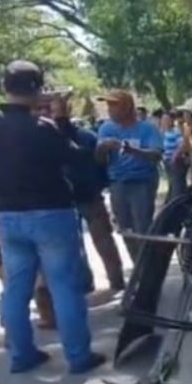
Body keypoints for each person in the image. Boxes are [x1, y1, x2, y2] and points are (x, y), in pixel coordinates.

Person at [0, 60, 104, 374]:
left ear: (4, 87)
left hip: (8, 217)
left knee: (16, 289)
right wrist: (64, 119)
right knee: (64, 286)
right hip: (52, 214)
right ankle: (78, 356)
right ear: (38, 90)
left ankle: (21, 355)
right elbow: (77, 157)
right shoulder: (44, 128)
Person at [50, 93, 125, 291]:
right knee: (83, 245)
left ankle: (113, 281)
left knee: (99, 242)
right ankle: (100, 282)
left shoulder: (82, 137)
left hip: (84, 196)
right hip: (73, 198)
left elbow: (100, 165)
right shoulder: (82, 137)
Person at [96, 89, 163, 263]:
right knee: (125, 228)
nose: (109, 109)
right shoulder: (106, 128)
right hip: (117, 183)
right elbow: (100, 161)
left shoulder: (147, 128)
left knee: (142, 227)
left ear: (127, 107)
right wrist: (102, 149)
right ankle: (137, 266)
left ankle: (148, 265)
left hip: (142, 182)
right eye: (108, 105)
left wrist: (131, 150)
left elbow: (156, 154)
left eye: (114, 105)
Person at [161, 110, 187, 201]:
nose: (164, 122)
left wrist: (175, 155)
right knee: (172, 183)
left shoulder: (176, 132)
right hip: (166, 161)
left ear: (171, 120)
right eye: (163, 119)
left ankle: (178, 202)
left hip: (175, 162)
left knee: (177, 185)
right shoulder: (163, 133)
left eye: (166, 119)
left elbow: (182, 144)